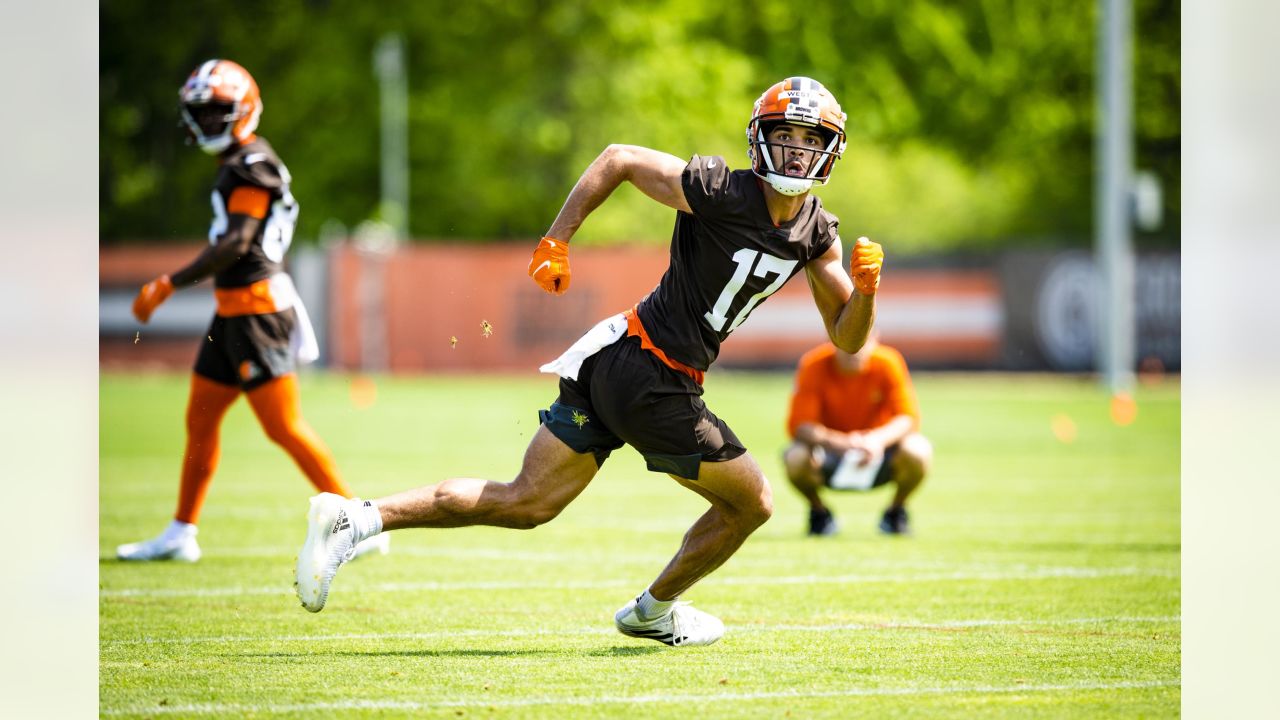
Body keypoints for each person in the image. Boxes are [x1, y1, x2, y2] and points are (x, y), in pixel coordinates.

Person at [294, 76, 883, 647]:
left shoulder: (817, 233)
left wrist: (865, 292)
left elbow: (848, 339)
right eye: (787, 135)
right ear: (761, 136)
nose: (798, 151)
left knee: (528, 500)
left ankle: (357, 519)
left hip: (617, 362)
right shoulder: (720, 188)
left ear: (829, 151)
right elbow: (618, 157)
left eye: (811, 140)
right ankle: (654, 611)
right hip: (651, 374)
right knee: (752, 502)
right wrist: (556, 239)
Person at [117, 59, 388, 562]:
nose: (208, 121)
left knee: (283, 426)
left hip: (258, 314)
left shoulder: (251, 164)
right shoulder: (238, 160)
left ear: (243, 110)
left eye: (218, 111)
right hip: (231, 313)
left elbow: (238, 244)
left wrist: (169, 283)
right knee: (200, 420)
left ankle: (360, 521)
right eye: (202, 112)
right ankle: (181, 531)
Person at [782, 333, 931, 537]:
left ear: (875, 339)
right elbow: (800, 426)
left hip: (881, 453)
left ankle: (895, 511)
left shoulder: (888, 362)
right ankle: (819, 513)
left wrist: (876, 440)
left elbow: (907, 418)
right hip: (829, 454)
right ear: (833, 339)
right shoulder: (814, 363)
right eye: (847, 339)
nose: (853, 350)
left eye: (861, 339)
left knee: (918, 450)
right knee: (795, 456)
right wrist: (842, 443)